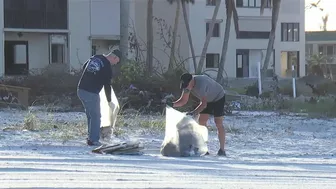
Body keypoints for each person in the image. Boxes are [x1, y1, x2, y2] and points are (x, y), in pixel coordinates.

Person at [168, 73, 227, 156]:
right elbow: (183, 101)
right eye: (184, 86)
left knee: (218, 122)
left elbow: (203, 104)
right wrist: (171, 104)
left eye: (187, 85)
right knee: (202, 122)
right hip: (207, 100)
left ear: (192, 81)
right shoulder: (187, 87)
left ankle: (222, 150)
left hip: (218, 97)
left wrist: (194, 112)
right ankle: (204, 148)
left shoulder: (201, 84)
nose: (186, 88)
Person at [77, 49, 122, 146]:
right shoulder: (107, 67)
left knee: (90, 115)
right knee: (96, 116)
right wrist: (109, 100)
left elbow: (84, 67)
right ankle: (94, 140)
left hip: (81, 90)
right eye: (116, 61)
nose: (115, 64)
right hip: (91, 92)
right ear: (114, 57)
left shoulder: (95, 57)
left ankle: (90, 137)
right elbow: (107, 85)